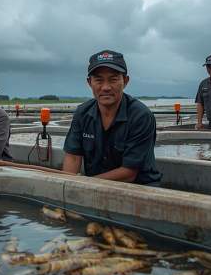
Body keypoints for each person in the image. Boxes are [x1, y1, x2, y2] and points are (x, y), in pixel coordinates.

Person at [62, 50, 162, 186]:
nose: (106, 87)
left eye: (113, 79)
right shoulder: (82, 113)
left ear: (125, 81)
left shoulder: (141, 116)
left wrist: (84, 183)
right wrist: (66, 189)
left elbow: (128, 173)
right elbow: (73, 158)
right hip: (93, 188)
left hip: (139, 190)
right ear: (89, 82)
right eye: (98, 80)